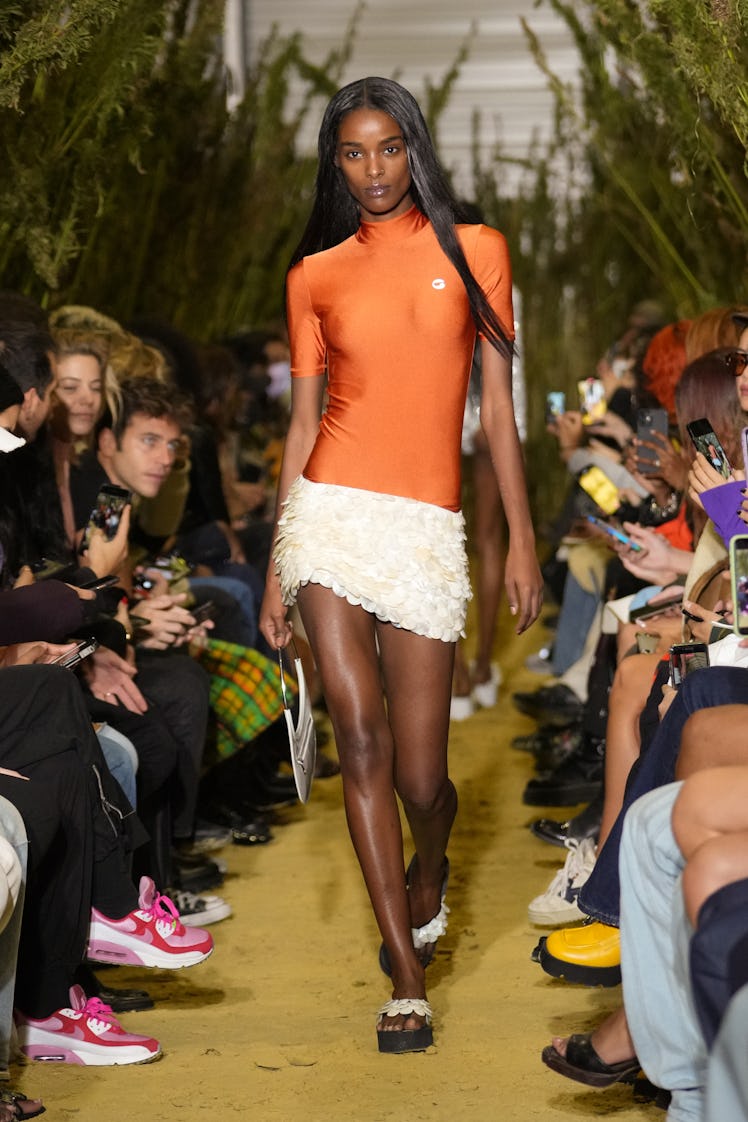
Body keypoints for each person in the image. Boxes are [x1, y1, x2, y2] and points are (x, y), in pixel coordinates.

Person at [259, 76, 543, 1053]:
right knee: (363, 741)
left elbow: (496, 413)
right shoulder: (315, 275)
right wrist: (273, 567)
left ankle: (431, 868)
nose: (372, 169)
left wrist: (521, 538)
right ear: (333, 165)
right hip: (331, 517)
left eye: (387, 148)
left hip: (425, 527)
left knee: (426, 778)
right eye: (352, 153)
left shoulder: (478, 252)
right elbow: (302, 425)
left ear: (411, 148)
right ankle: (406, 975)